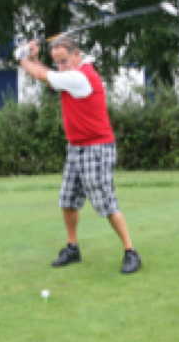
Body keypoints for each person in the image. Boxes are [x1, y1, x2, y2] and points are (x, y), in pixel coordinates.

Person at [16, 36, 141, 274]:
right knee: (68, 199)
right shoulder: (70, 75)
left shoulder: (81, 77)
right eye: (57, 62)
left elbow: (43, 75)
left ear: (76, 55)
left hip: (97, 147)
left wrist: (23, 58)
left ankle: (131, 252)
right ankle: (72, 248)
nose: (61, 66)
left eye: (64, 61)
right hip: (76, 146)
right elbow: (49, 76)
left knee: (105, 202)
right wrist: (34, 58)